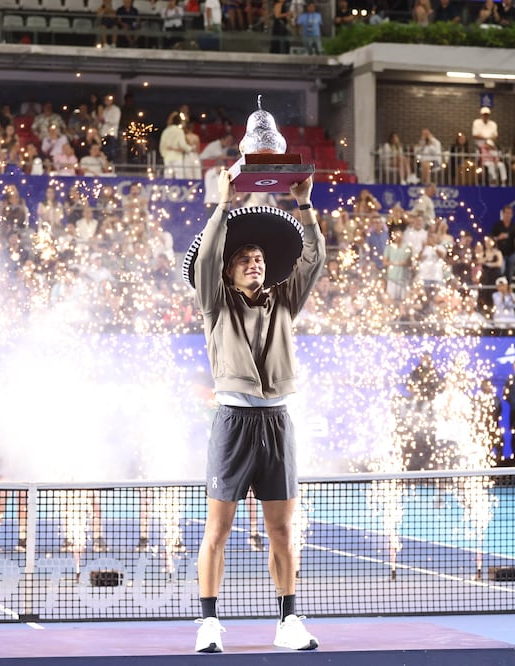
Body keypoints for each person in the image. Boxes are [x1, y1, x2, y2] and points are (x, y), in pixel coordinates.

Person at [187, 170, 323, 654]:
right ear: (228, 271)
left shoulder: (285, 301)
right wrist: (223, 204)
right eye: (244, 259)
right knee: (218, 529)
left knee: (282, 530)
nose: (254, 264)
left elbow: (314, 260)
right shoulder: (214, 303)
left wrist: (305, 205)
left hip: (278, 422)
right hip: (233, 422)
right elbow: (206, 259)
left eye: (260, 259)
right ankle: (208, 623)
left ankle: (288, 620)